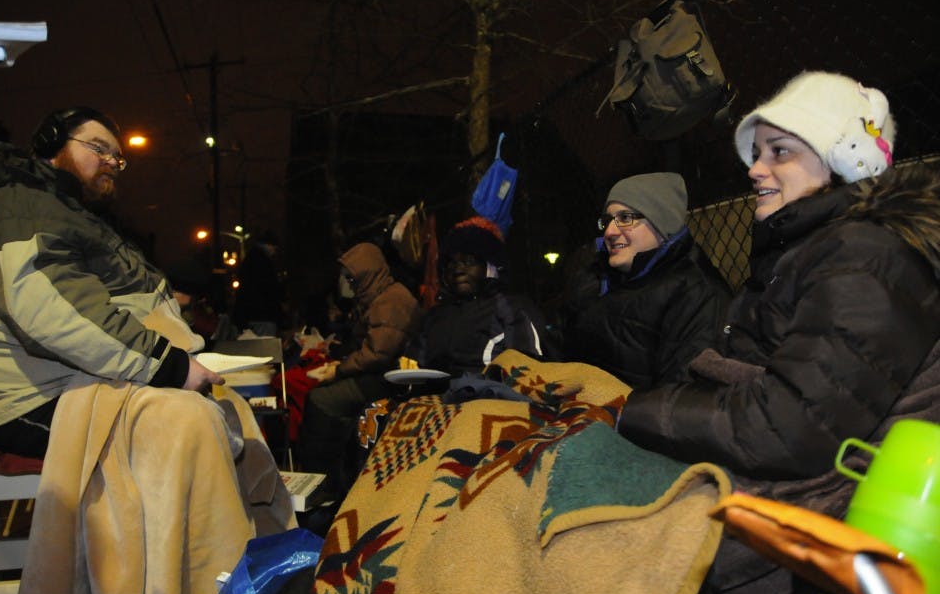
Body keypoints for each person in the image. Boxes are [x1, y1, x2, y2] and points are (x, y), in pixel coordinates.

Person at [0, 106, 295, 594]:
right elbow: (53, 310)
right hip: (30, 399)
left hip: (76, 380)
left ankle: (244, 570)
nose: (111, 162)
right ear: (51, 144)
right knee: (186, 421)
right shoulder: (15, 209)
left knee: (226, 407)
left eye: (117, 157)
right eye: (97, 148)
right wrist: (170, 366)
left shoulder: (65, 211)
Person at [616, 71, 940, 594]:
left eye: (780, 151)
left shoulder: (866, 255)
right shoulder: (812, 249)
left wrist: (633, 412)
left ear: (844, 162)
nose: (755, 168)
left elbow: (790, 427)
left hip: (816, 522)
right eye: (757, 152)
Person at [561, 172, 730, 388]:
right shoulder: (594, 276)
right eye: (608, 221)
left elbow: (683, 394)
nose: (610, 232)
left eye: (625, 219)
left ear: (662, 223)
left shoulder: (697, 294)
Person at [299, 241, 422, 498]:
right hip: (379, 373)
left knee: (321, 401)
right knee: (319, 395)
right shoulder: (375, 298)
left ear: (367, 274)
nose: (347, 283)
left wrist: (339, 371)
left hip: (390, 380)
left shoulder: (391, 301)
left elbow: (378, 354)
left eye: (351, 278)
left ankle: (324, 481)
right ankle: (327, 475)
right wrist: (339, 363)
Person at [408, 216, 551, 377]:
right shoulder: (436, 315)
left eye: (469, 262)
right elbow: (414, 363)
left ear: (490, 266)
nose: (458, 270)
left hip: (491, 390)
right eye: (451, 264)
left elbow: (527, 368)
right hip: (437, 391)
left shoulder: (511, 308)